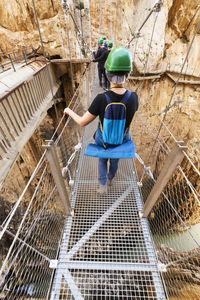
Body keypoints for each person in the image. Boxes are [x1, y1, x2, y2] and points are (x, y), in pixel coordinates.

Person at [64, 47, 139, 195]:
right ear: (128, 74)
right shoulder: (134, 98)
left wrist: (69, 111)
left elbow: (82, 122)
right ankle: (111, 178)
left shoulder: (101, 99)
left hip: (103, 140)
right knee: (115, 160)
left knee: (103, 159)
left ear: (107, 74)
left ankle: (102, 186)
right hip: (122, 139)